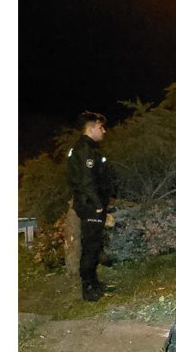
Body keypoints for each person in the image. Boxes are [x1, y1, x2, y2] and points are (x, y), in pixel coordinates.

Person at [67, 111, 112, 301]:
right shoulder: (85, 150)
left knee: (94, 244)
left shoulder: (87, 148)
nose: (104, 131)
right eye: (101, 127)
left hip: (91, 204)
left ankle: (93, 282)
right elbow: (87, 181)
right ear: (92, 128)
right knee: (91, 246)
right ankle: (88, 288)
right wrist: (98, 205)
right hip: (90, 206)